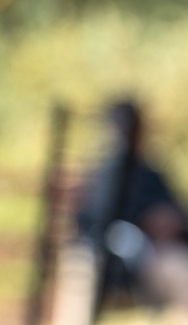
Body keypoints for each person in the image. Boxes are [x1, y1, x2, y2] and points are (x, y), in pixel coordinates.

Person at [75, 99, 188, 307]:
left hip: (169, 249)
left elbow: (176, 212)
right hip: (136, 256)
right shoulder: (106, 176)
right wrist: (145, 222)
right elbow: (95, 221)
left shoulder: (149, 173)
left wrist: (173, 222)